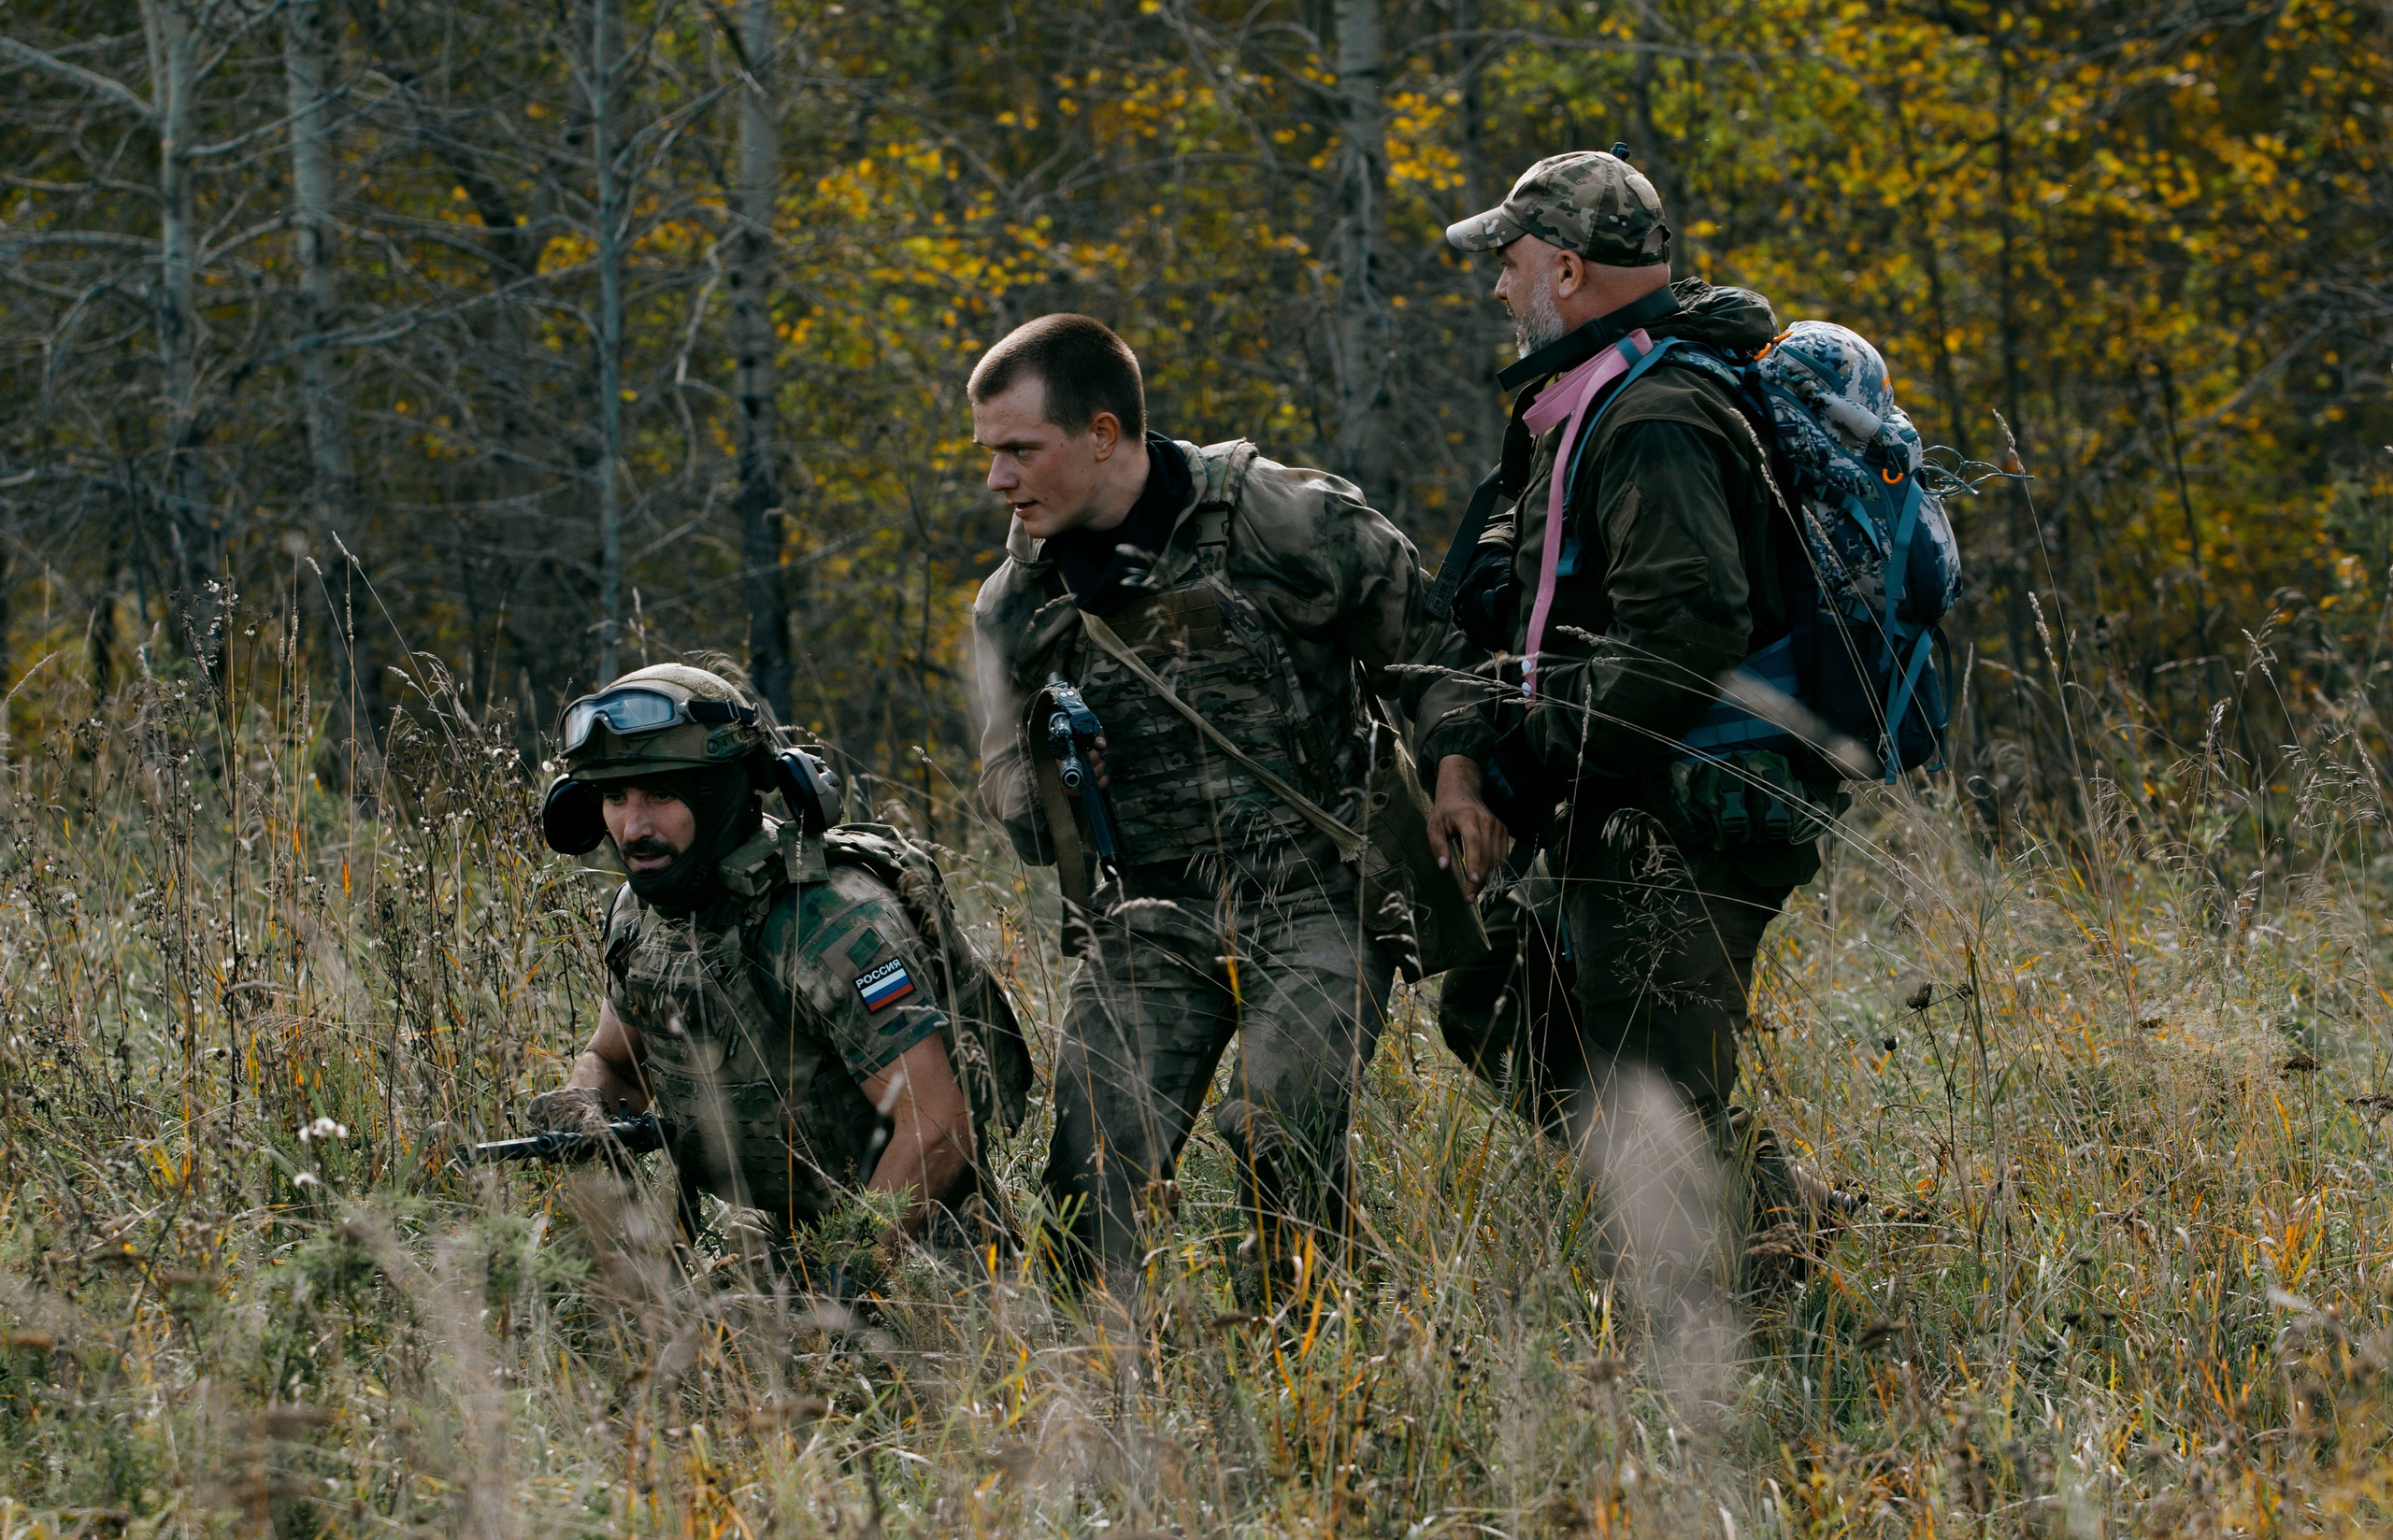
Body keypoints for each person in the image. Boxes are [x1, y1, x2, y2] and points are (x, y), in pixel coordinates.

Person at [967, 313, 1492, 1290]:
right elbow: (1010, 798)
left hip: (1321, 891)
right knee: (1090, 1179)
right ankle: (1103, 1403)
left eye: (1018, 449)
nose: (997, 479)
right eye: (988, 453)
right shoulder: (1017, 606)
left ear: (1101, 434)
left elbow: (1432, 652)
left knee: (1279, 1127)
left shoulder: (1282, 519)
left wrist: (1456, 773)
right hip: (1149, 914)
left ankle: (1315, 1369)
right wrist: (1053, 780)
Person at [1416, 149, 1849, 1270]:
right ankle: (1780, 1210)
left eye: (1508, 265)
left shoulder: (1655, 415)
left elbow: (1681, 639)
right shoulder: (1586, 400)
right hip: (1615, 790)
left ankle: (1781, 1330)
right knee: (1493, 991)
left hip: (1689, 806)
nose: (1498, 289)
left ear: (1565, 269)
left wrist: (1519, 769)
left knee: (1658, 1085)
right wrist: (1479, 751)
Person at [524, 662, 1031, 1260]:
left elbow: (939, 1128)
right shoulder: (642, 914)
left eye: (660, 794)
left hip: (925, 1255)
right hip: (780, 1236)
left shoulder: (826, 921)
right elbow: (618, 1065)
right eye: (614, 797)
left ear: (716, 795)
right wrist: (586, 1104)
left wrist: (844, 1275)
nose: (633, 827)